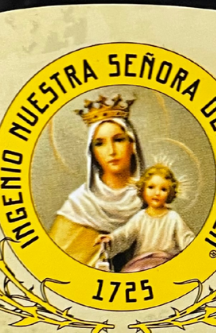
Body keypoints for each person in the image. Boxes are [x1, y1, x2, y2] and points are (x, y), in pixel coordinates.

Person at [48, 96, 145, 270]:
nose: (111, 151)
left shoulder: (151, 195)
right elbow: (55, 268)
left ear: (132, 145)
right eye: (100, 143)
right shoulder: (79, 206)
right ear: (92, 152)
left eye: (118, 139)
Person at [95, 164, 194, 272]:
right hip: (140, 264)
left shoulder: (173, 218)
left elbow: (186, 239)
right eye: (151, 187)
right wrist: (111, 239)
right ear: (143, 189)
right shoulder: (140, 217)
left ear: (170, 193)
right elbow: (125, 235)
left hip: (166, 264)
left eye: (163, 189)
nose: (156, 193)